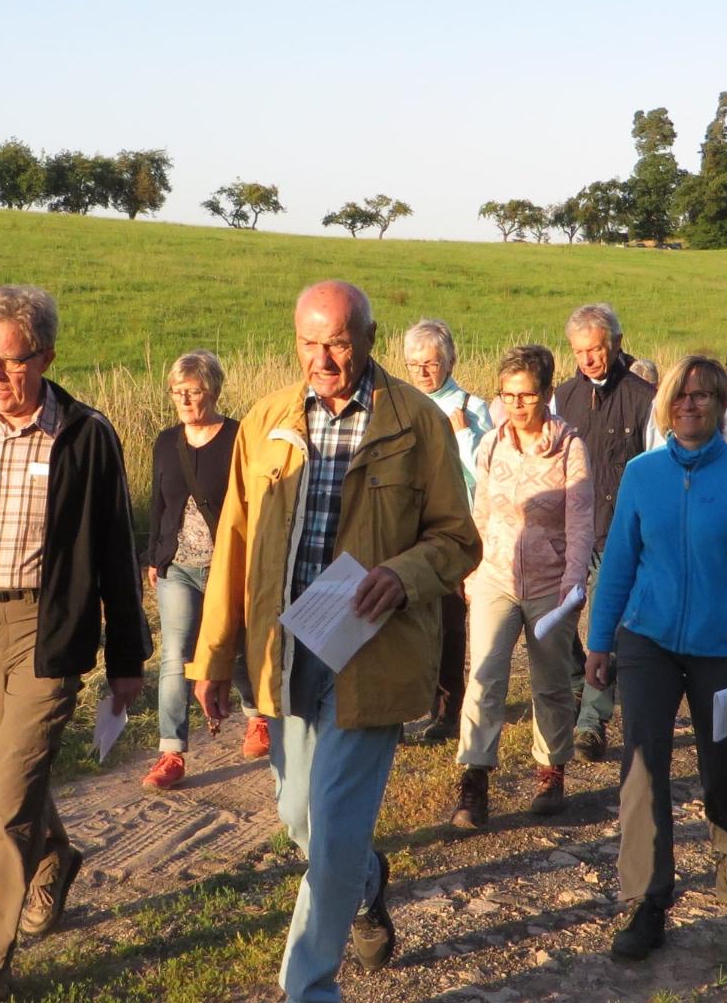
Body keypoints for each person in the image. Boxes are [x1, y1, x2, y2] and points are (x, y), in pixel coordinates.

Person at [188, 280, 480, 1002]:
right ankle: (366, 877)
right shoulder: (266, 423)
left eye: (339, 343)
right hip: (286, 652)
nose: (322, 358)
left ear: (370, 340)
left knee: (338, 822)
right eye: (310, 343)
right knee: (301, 819)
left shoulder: (417, 425)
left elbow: (458, 540)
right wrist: (214, 655)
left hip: (372, 652)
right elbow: (234, 541)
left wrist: (406, 573)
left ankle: (309, 986)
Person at [0, 285, 150, 1001]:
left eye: (11, 360)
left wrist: (125, 661)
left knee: (14, 793)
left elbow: (116, 547)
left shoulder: (84, 435)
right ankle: (53, 856)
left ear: (46, 356)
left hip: (47, 629)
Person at [584, 355, 727, 962]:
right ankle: (647, 900)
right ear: (666, 404)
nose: (691, 404)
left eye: (704, 395)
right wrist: (600, 639)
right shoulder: (643, 474)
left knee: (722, 761)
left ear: (721, 405)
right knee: (643, 763)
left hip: (723, 644)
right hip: (646, 639)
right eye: (681, 395)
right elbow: (619, 562)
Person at [449, 344, 592, 830]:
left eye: (526, 396)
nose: (516, 406)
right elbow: (481, 512)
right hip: (494, 576)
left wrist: (573, 586)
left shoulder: (571, 448)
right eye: (507, 396)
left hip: (550, 585)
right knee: (484, 675)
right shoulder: (491, 444)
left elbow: (580, 523)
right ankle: (475, 778)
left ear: (548, 394)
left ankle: (550, 773)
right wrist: (471, 571)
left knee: (550, 683)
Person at [142, 350, 264, 791]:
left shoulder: (238, 438)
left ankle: (256, 719)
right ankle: (170, 752)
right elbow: (158, 503)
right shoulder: (164, 442)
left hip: (226, 565)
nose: (185, 400)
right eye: (178, 393)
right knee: (175, 653)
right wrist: (154, 557)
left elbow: (254, 502)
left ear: (211, 390)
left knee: (234, 645)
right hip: (178, 566)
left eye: (192, 392)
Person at [550, 303, 657, 765]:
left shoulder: (645, 398)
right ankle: (578, 685)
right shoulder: (561, 397)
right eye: (579, 351)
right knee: (554, 623)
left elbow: (654, 465)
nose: (588, 359)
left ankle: (592, 722)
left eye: (595, 349)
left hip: (621, 534)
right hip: (571, 530)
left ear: (614, 343)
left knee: (604, 629)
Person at [402, 319, 493, 744]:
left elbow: (488, 477)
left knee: (450, 624)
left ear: (450, 361)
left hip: (453, 531)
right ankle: (397, 707)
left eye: (431, 363)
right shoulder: (398, 406)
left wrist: (461, 438)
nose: (422, 372)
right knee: (402, 621)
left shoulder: (472, 409)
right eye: (414, 364)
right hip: (405, 530)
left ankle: (447, 709)